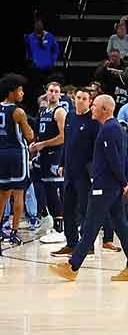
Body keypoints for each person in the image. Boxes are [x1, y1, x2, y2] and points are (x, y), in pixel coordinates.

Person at [49, 94, 128, 282]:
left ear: (105, 109)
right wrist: (126, 182)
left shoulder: (109, 129)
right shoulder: (117, 128)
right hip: (112, 186)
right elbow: (123, 158)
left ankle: (72, 267)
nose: (92, 108)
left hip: (105, 186)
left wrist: (125, 183)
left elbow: (115, 160)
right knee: (120, 225)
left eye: (95, 105)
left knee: (90, 225)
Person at [28, 81, 69, 242]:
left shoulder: (60, 112)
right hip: (42, 154)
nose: (53, 93)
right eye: (51, 90)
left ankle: (59, 228)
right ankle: (46, 217)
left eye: (56, 91)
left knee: (52, 190)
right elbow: (40, 133)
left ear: (60, 94)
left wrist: (42, 144)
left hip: (55, 154)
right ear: (46, 92)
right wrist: (35, 143)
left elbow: (63, 137)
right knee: (34, 181)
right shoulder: (43, 110)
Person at [0, 75, 36, 241]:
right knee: (19, 193)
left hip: (1, 153)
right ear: (11, 92)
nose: (22, 93)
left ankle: (0, 229)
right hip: (16, 154)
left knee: (3, 194)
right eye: (20, 90)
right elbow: (29, 136)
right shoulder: (18, 111)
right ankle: (14, 232)